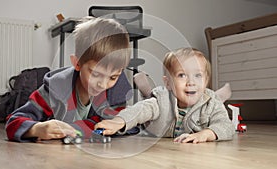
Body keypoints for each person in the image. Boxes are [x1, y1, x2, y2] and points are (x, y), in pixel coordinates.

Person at [5, 17, 132, 142]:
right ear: (77, 63)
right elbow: (14, 122)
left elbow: (117, 122)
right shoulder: (55, 88)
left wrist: (75, 128)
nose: (103, 84)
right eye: (95, 74)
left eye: (113, 77)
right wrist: (35, 129)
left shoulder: (116, 91)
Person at [96, 47, 235, 144]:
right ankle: (148, 90)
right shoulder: (162, 100)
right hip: (158, 107)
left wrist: (207, 134)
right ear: (168, 83)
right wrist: (119, 121)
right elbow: (138, 111)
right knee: (152, 97)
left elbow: (225, 125)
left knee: (211, 99)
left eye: (198, 76)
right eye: (182, 75)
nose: (191, 82)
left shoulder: (210, 104)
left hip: (207, 98)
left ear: (206, 80)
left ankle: (218, 95)